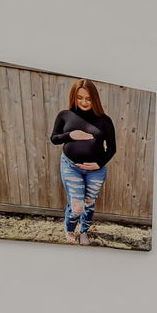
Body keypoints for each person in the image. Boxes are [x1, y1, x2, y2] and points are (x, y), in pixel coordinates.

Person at [49, 79, 117, 245]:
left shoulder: (105, 120)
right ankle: (70, 228)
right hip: (71, 166)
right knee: (77, 206)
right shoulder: (65, 115)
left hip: (96, 170)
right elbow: (54, 139)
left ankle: (84, 231)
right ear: (74, 97)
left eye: (88, 98)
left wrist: (99, 164)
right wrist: (70, 135)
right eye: (80, 98)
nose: (84, 102)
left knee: (89, 203)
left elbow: (112, 149)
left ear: (95, 98)